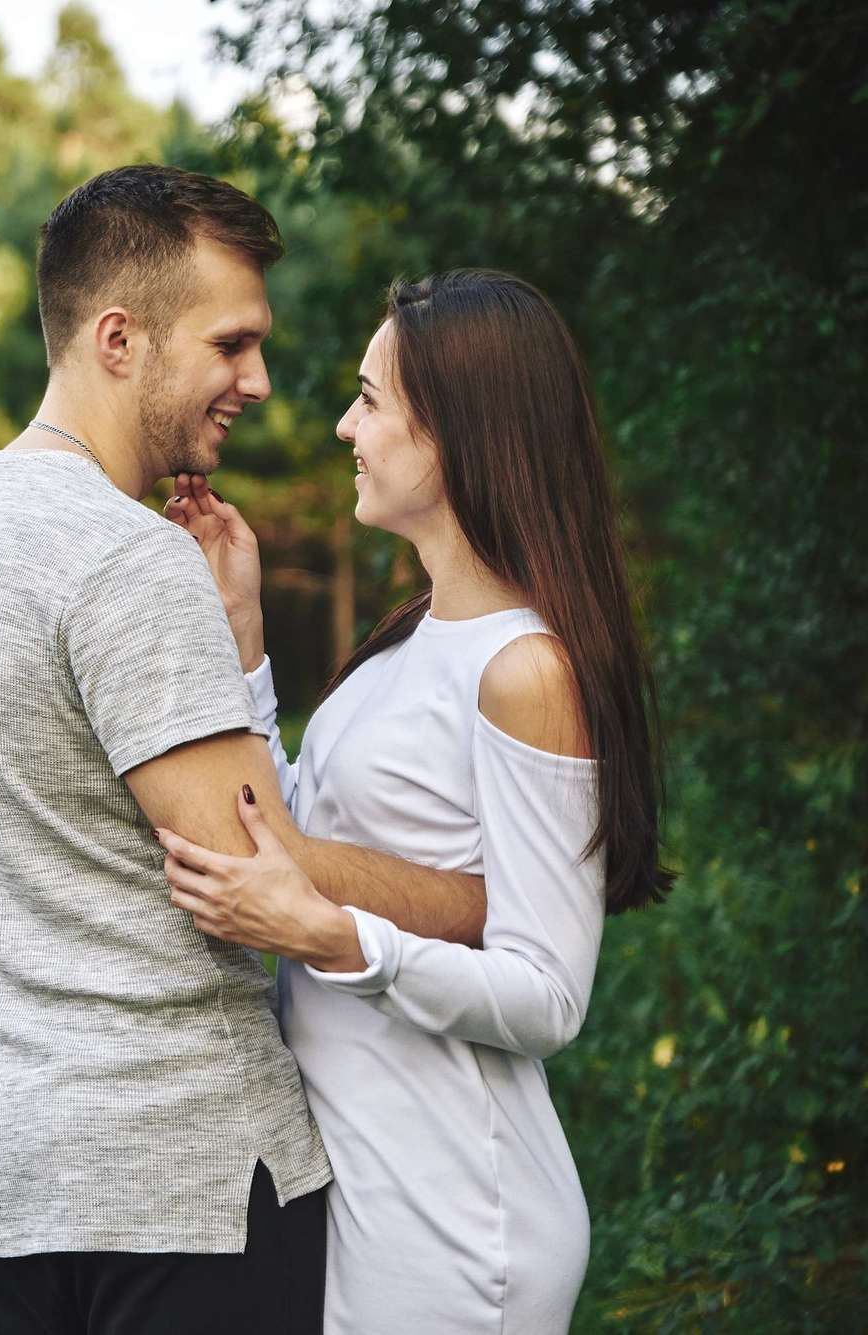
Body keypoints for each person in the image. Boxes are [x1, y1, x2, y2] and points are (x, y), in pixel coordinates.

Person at [0, 165, 494, 1335]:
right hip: (186, 1189)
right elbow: (258, 876)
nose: (257, 381)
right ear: (117, 339)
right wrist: (482, 904)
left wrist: (236, 643)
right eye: (229, 344)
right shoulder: (124, 555)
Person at [156, 269, 673, 1333]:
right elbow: (289, 830)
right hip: (366, 1179)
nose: (345, 426)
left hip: (456, 1214)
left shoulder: (525, 669)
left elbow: (547, 996)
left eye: (369, 400)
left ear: (455, 434)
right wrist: (243, 637)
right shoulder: (410, 637)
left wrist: (333, 938)